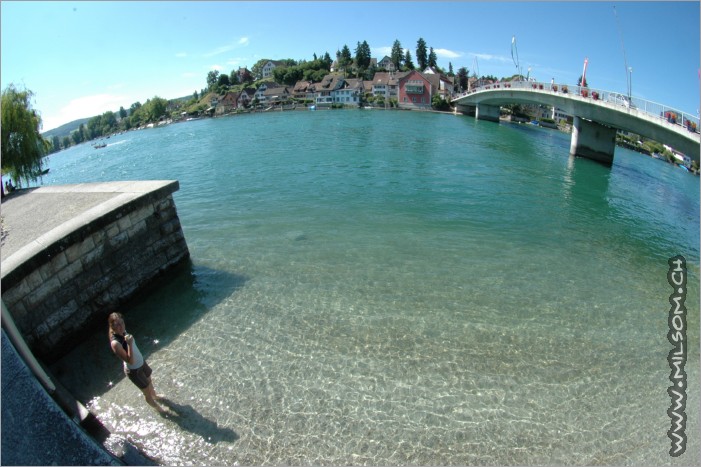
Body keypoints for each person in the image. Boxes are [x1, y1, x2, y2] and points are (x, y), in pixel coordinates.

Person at [108, 312, 166, 414]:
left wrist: (130, 343)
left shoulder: (123, 332)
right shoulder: (115, 343)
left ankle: (155, 395)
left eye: (122, 323)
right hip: (134, 370)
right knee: (147, 393)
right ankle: (159, 409)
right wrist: (129, 344)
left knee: (149, 382)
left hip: (141, 362)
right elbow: (130, 361)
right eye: (117, 325)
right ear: (112, 326)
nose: (121, 327)